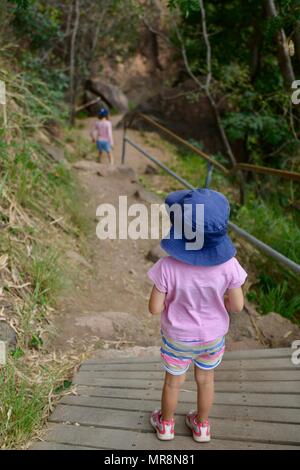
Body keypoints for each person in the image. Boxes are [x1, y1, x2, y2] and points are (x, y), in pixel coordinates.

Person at [147, 188, 247, 443]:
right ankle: (201, 426)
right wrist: (220, 297)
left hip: (178, 337)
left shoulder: (167, 267)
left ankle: (166, 424)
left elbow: (155, 308)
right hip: (212, 337)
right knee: (205, 380)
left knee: (173, 382)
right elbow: (237, 305)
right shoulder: (229, 265)